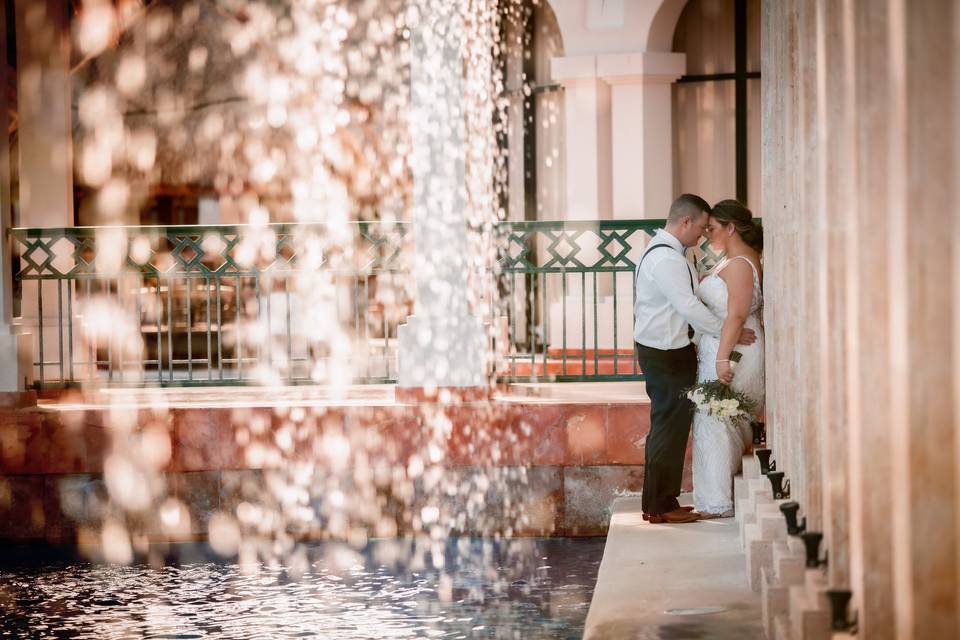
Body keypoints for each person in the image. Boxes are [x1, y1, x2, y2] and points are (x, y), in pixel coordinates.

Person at [634, 194, 756, 524]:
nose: (703, 234)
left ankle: (657, 503)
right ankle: (660, 505)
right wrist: (726, 331)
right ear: (685, 222)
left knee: (667, 427)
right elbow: (688, 307)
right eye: (702, 227)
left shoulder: (672, 254)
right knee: (667, 428)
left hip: (668, 350)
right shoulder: (667, 260)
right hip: (665, 353)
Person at [691, 199, 765, 518]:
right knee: (720, 418)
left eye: (712, 228)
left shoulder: (739, 264)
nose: (707, 234)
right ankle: (718, 496)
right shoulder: (734, 261)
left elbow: (736, 316)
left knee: (715, 420)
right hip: (729, 344)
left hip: (734, 351)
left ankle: (718, 501)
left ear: (730, 228)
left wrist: (722, 360)